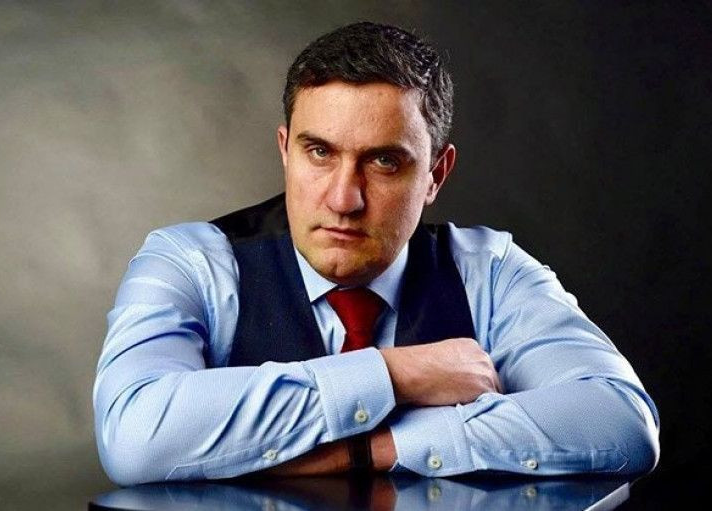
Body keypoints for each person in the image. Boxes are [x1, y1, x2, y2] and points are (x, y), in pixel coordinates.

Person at [93, 22, 660, 486]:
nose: (344, 199)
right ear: (285, 151)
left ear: (436, 174)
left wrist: (374, 449)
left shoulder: (489, 271)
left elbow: (621, 423)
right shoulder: (191, 262)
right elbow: (135, 436)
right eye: (319, 153)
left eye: (385, 162)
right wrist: (397, 374)